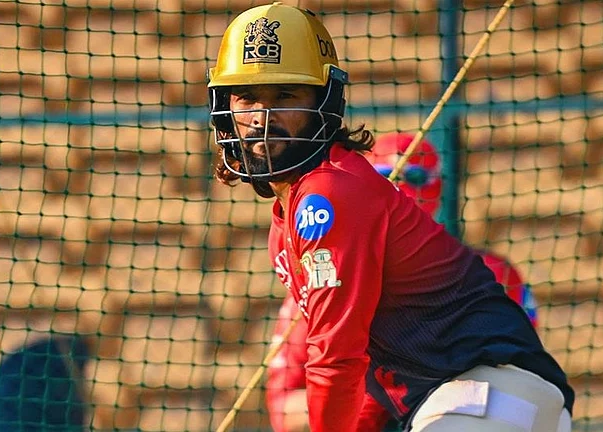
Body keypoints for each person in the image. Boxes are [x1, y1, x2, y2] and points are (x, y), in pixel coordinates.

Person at [207, 3, 574, 431]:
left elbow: (336, 357)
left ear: (325, 102)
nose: (260, 117)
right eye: (247, 96)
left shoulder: (326, 195)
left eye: (285, 95)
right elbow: (361, 373)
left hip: (484, 397)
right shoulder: (289, 218)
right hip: (470, 404)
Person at [264, 133, 539, 432]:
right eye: (384, 175)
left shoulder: (491, 274)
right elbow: (283, 407)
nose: (402, 188)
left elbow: (522, 375)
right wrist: (360, 398)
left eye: (418, 177)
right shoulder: (320, 287)